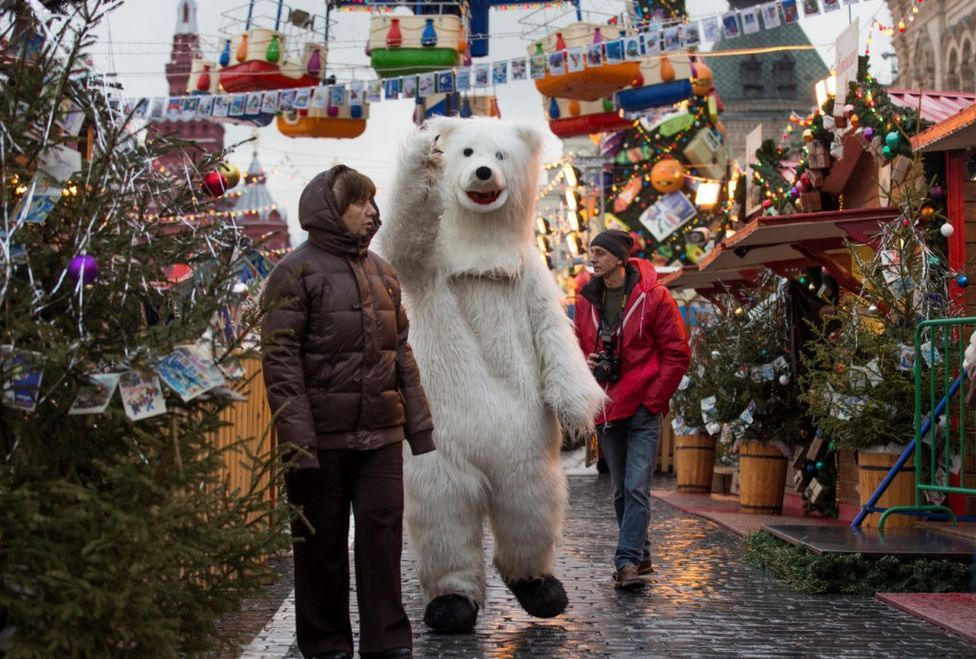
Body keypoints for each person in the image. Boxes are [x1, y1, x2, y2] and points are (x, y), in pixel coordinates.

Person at [262, 165, 435, 659]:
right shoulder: (293, 272)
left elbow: (399, 351)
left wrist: (417, 425)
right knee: (321, 548)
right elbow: (280, 360)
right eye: (361, 202)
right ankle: (326, 645)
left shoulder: (384, 272)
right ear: (332, 211)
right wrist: (298, 439)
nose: (372, 211)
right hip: (321, 438)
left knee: (382, 542)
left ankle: (388, 644)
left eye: (372, 202)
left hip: (380, 435)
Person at [573, 229, 690, 591]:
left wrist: (653, 400)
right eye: (590, 251)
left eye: (599, 252)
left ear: (620, 258)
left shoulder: (655, 297)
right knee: (622, 491)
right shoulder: (585, 300)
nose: (592, 258)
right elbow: (576, 346)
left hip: (641, 408)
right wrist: (585, 361)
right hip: (607, 408)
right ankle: (642, 554)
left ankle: (626, 563)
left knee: (637, 488)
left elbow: (677, 352)